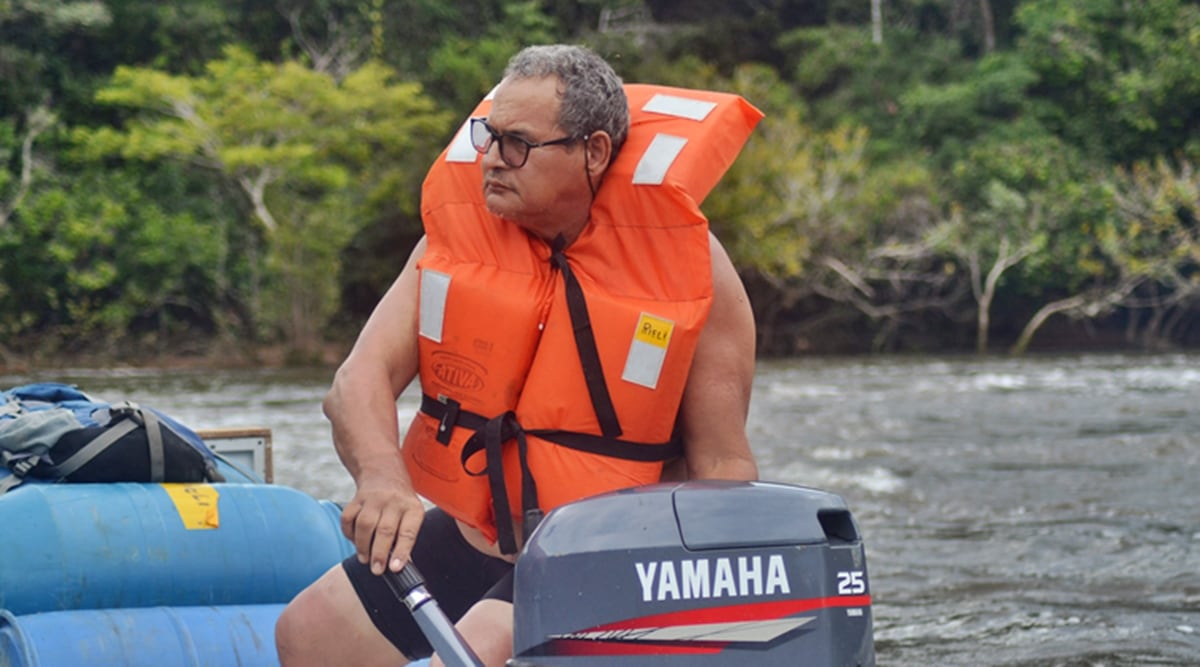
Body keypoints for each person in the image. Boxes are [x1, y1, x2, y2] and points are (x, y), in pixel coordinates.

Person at [275, 44, 760, 667]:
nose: (491, 161)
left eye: (518, 144)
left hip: (610, 551)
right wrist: (382, 478)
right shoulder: (454, 244)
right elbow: (356, 382)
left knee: (473, 652)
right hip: (489, 535)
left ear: (594, 152)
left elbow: (722, 463)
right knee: (311, 634)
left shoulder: (694, 276)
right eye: (487, 136)